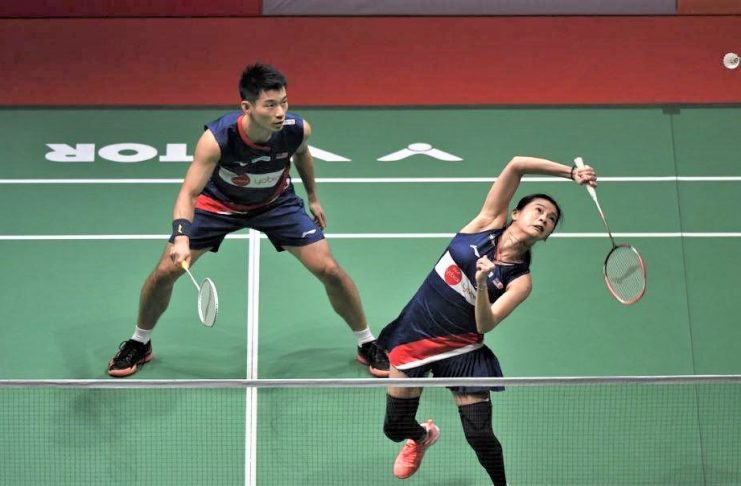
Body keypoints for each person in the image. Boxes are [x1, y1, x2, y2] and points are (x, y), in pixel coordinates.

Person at [107, 63, 389, 378]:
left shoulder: (296, 129)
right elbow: (188, 192)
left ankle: (367, 342)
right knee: (164, 273)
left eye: (284, 102)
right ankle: (139, 342)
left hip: (275, 203)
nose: (280, 112)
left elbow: (302, 154)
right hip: (218, 205)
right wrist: (182, 237)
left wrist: (313, 197)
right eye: (270, 105)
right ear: (247, 107)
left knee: (330, 270)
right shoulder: (217, 139)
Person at [378, 156, 597, 484]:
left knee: (481, 437)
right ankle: (423, 436)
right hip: (416, 333)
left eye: (551, 219)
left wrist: (482, 284)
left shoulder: (520, 281)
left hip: (462, 350)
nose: (543, 218)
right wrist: (571, 173)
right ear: (515, 213)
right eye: (538, 210)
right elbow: (516, 165)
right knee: (395, 428)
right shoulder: (485, 224)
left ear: (547, 236)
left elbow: (485, 324)